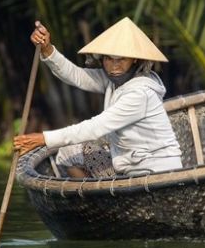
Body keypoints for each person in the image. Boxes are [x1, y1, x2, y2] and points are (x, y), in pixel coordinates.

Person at [13, 17, 183, 178]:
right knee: (67, 154)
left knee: (72, 147)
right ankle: (97, 205)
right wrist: (47, 49)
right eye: (109, 59)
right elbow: (76, 76)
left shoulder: (140, 93)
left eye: (121, 59)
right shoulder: (113, 81)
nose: (114, 66)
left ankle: (106, 203)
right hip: (128, 167)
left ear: (135, 60)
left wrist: (44, 138)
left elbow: (95, 127)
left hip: (156, 170)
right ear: (102, 59)